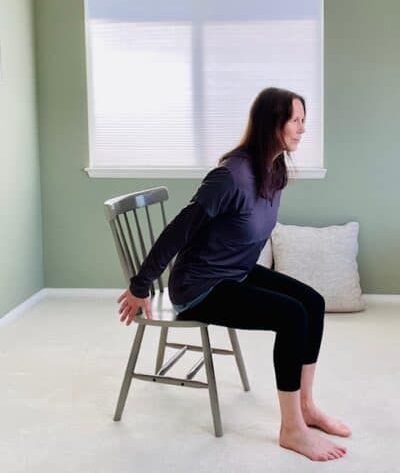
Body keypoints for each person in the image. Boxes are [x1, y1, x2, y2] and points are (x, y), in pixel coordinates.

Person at [117, 87, 351, 461]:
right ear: (272, 124)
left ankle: (306, 407)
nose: (303, 129)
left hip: (236, 273)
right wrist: (140, 285)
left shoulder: (273, 170)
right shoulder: (230, 176)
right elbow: (179, 229)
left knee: (312, 302)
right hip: (200, 288)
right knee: (292, 317)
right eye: (296, 120)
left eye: (304, 120)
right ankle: (291, 429)